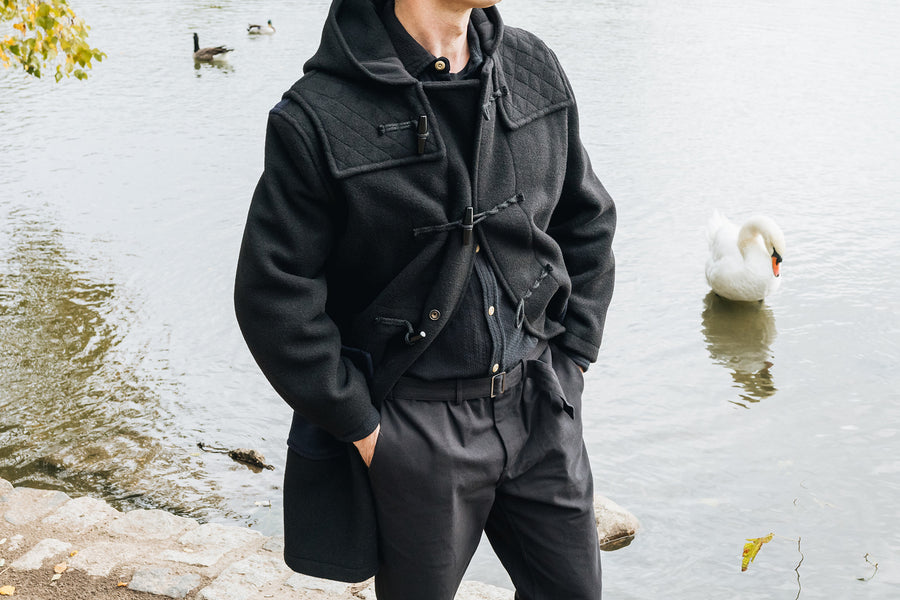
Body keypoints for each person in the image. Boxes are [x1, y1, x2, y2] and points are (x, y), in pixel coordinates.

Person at [234, 0, 616, 598]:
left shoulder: (533, 65)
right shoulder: (316, 114)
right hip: (415, 428)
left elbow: (587, 220)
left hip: (541, 402)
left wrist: (574, 358)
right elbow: (274, 293)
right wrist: (364, 429)